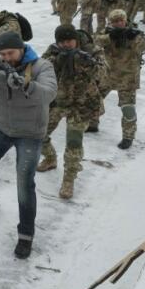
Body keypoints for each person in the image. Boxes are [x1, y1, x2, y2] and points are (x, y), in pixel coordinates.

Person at [0, 32, 57, 258]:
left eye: (10, 53)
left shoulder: (41, 65)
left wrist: (27, 85)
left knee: (24, 185)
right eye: (2, 53)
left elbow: (50, 93)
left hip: (30, 134)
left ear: (22, 49)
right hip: (2, 128)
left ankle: (26, 235)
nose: (6, 58)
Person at [37, 25, 104, 199]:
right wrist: (57, 61)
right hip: (58, 102)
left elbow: (103, 74)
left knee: (74, 143)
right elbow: (39, 69)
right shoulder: (53, 51)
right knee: (39, 134)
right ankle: (50, 158)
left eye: (69, 41)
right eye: (62, 42)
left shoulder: (92, 50)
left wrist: (84, 63)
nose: (66, 44)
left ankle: (69, 180)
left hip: (82, 104)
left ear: (76, 39)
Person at [86, 9, 145, 149]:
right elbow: (95, 41)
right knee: (94, 98)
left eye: (121, 20)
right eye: (115, 21)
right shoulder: (107, 33)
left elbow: (144, 46)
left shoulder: (134, 33)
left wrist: (133, 37)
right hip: (108, 74)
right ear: (111, 22)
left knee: (128, 108)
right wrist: (112, 36)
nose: (119, 23)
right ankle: (92, 123)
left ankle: (128, 136)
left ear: (125, 20)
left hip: (128, 77)